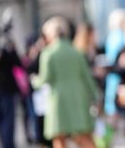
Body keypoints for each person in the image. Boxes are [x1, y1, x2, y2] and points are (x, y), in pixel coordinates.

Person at [30, 16, 99, 148]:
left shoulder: (48, 54)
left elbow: (45, 79)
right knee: (85, 138)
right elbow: (87, 77)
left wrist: (34, 80)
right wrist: (95, 97)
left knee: (59, 140)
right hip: (79, 98)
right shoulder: (76, 52)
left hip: (58, 101)